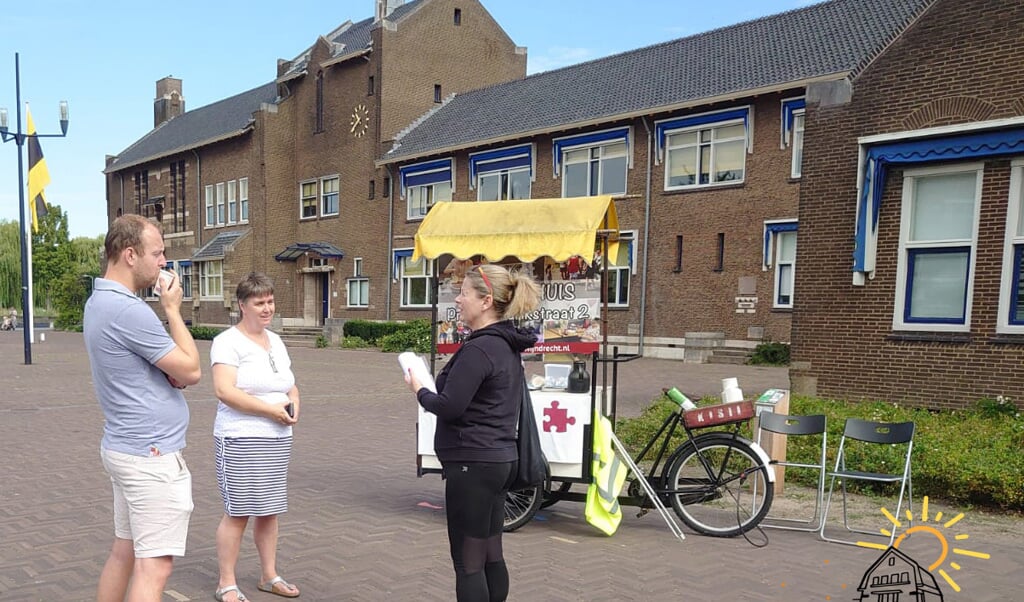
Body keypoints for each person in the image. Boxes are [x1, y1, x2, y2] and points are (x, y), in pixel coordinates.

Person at [84, 214, 202, 602]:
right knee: (155, 565)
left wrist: (169, 373)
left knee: (125, 552)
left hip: (123, 445)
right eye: (158, 252)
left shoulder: (98, 301)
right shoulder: (131, 311)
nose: (164, 261)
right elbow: (192, 369)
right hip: (151, 456)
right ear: (130, 254)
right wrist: (171, 309)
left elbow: (155, 369)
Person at [406, 264, 541, 602]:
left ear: (486, 301)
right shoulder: (505, 344)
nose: (457, 299)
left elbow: (451, 406)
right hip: (498, 460)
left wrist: (420, 390)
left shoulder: (480, 349)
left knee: (467, 562)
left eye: (464, 292)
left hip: (473, 463)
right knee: (490, 553)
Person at [210, 272, 301, 601]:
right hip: (241, 438)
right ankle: (227, 583)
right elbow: (224, 390)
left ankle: (269, 575)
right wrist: (269, 411)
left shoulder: (275, 340)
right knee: (239, 512)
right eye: (259, 303)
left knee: (269, 510)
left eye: (270, 301)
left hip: (277, 438)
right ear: (242, 305)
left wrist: (295, 403)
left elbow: (289, 383)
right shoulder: (227, 342)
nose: (267, 308)